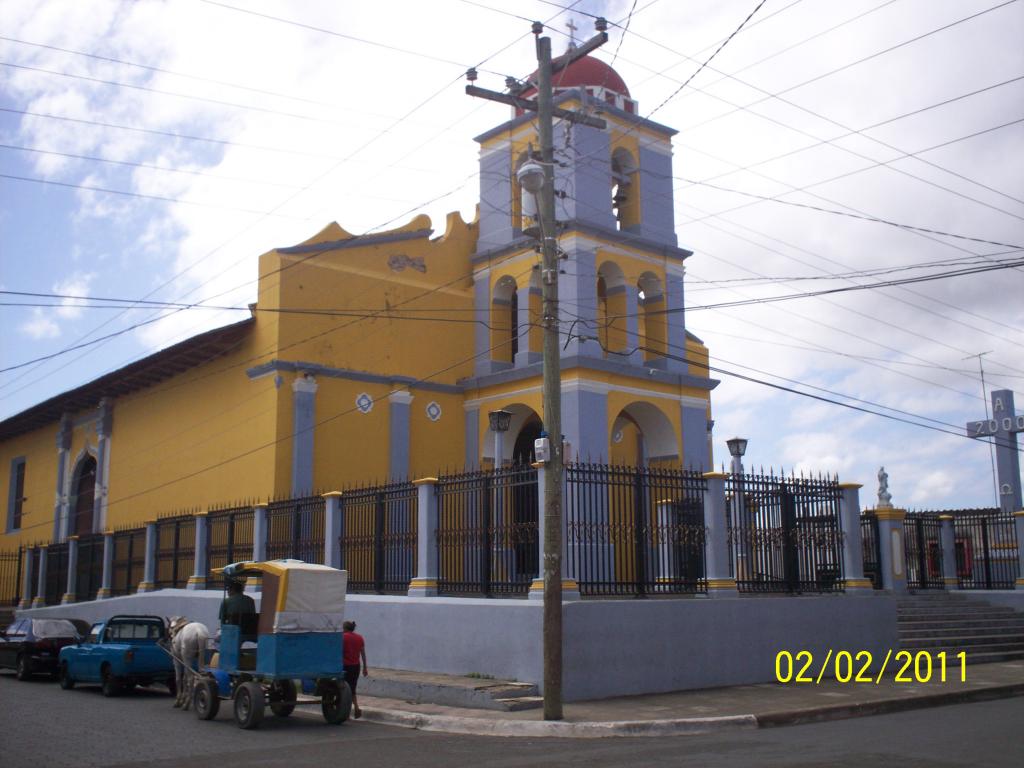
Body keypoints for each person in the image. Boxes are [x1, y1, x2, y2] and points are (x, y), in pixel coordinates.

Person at [342, 620, 368, 719]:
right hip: (356, 666)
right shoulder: (359, 638)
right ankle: (356, 708)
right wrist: (365, 668)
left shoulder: (343, 637)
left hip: (345, 667)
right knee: (352, 688)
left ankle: (347, 711)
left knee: (344, 689)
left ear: (345, 628)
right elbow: (363, 654)